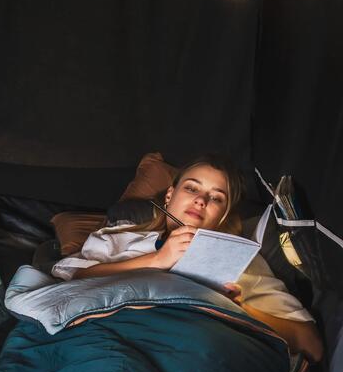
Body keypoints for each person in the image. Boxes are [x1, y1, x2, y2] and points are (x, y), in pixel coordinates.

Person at [51, 154, 324, 361]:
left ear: (223, 215)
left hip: (185, 355)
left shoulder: (240, 262)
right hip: (105, 343)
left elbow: (311, 344)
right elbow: (72, 280)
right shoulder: (119, 236)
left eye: (216, 198)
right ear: (170, 195)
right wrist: (156, 260)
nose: (201, 200)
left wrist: (236, 310)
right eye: (192, 188)